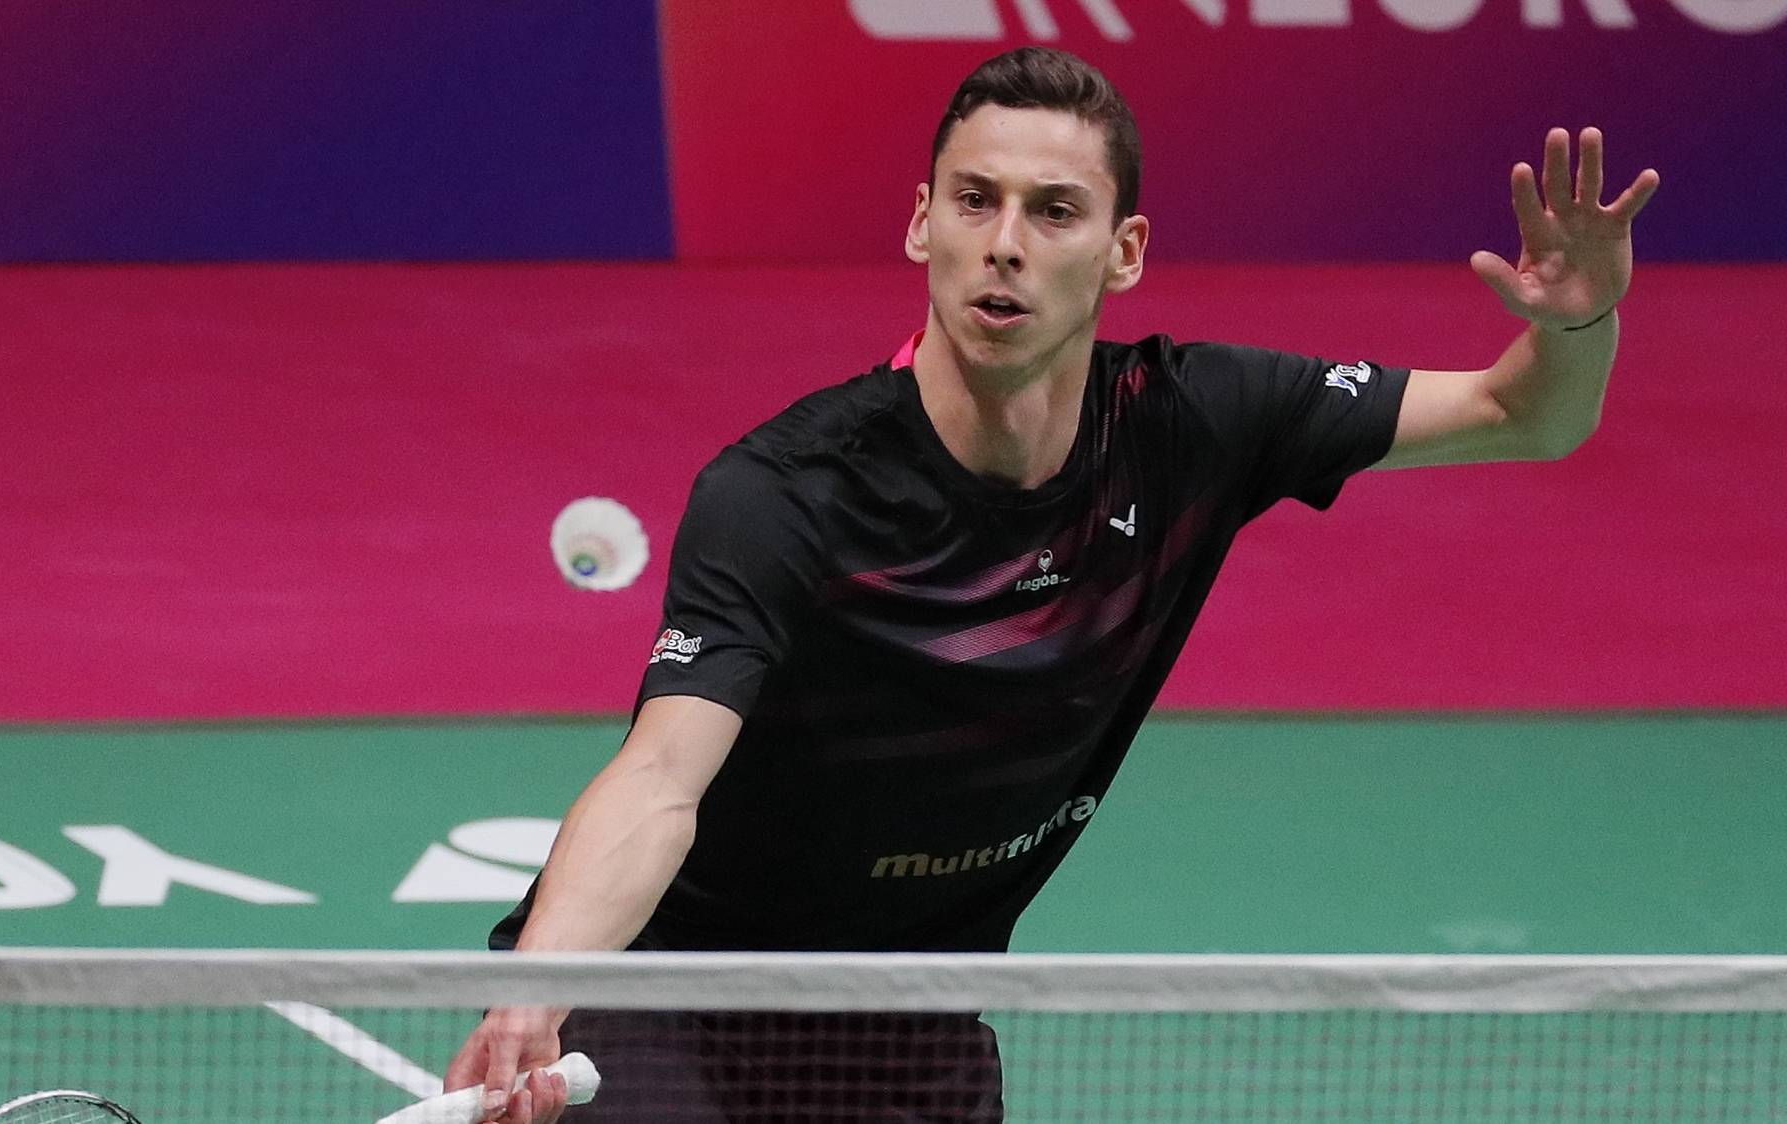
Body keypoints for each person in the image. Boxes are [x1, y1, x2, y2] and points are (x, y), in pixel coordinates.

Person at [445, 46, 1659, 1123]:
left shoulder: (1191, 419)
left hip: (910, 1013)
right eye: (974, 200)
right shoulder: (789, 492)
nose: (1007, 240)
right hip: (678, 994)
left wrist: (1579, 317)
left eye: (1054, 209)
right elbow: (660, 774)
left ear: (1122, 249)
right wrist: (538, 980)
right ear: (922, 223)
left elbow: (1520, 412)